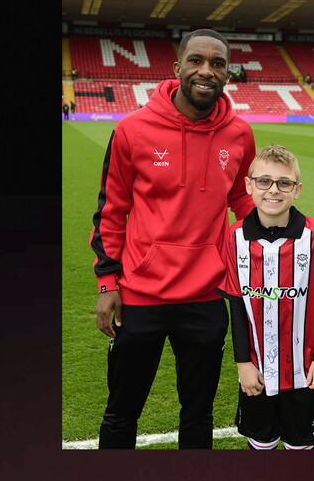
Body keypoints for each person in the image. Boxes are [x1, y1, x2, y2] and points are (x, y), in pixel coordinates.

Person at [89, 28, 257, 449]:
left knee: (198, 415)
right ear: (178, 67)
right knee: (121, 413)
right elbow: (111, 212)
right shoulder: (132, 129)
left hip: (205, 296)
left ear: (227, 73)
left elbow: (242, 196)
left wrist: (273, 242)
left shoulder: (239, 133)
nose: (206, 71)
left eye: (217, 64)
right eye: (196, 61)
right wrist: (108, 283)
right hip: (140, 296)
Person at [215, 144, 314, 450]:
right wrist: (242, 365)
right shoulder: (234, 236)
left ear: (296, 190)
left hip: (305, 370)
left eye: (284, 183)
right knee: (261, 442)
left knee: (299, 445)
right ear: (249, 186)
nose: (273, 191)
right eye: (264, 181)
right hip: (257, 369)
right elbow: (236, 304)